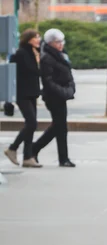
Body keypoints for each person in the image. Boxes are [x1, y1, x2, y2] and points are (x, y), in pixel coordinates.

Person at [32, 29, 76, 167]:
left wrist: (70, 89)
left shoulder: (61, 55)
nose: (61, 44)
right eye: (58, 42)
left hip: (62, 94)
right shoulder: (47, 58)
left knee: (59, 126)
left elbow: (68, 74)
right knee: (60, 127)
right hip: (53, 97)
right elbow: (48, 80)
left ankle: (59, 156)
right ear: (50, 43)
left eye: (62, 41)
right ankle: (39, 149)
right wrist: (63, 91)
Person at [4, 29, 42, 168]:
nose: (38, 40)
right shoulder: (20, 54)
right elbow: (12, 73)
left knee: (32, 125)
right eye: (35, 37)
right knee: (31, 123)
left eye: (39, 37)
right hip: (22, 93)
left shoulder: (35, 53)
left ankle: (27, 157)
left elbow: (37, 73)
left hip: (32, 93)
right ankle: (12, 148)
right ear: (28, 39)